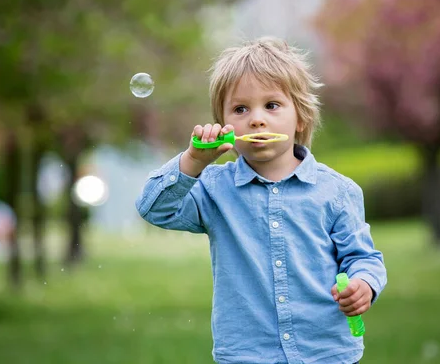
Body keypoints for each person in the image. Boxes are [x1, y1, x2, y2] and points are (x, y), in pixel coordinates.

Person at [135, 37, 387, 364]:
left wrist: (363, 284)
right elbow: (153, 208)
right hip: (247, 356)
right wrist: (194, 161)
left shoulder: (336, 192)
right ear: (224, 124)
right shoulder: (213, 189)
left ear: (300, 118)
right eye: (241, 109)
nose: (256, 119)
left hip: (326, 353)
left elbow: (363, 257)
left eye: (271, 105)